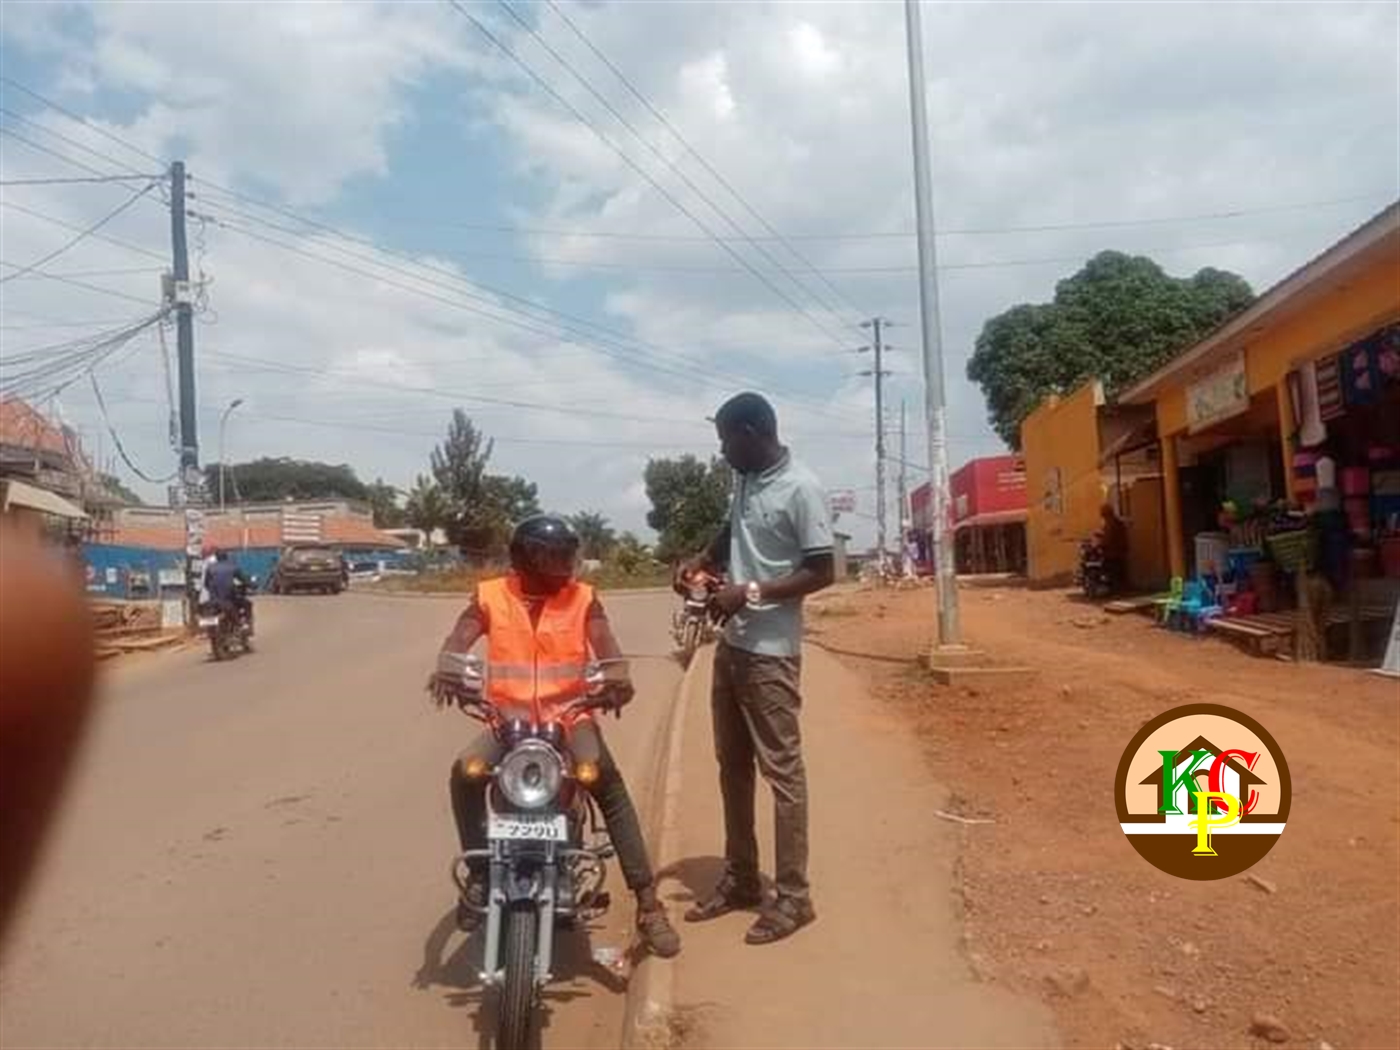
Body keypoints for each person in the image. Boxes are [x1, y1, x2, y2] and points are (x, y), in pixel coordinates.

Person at [429, 515, 681, 958]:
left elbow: (605, 643)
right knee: (465, 772)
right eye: (556, 555)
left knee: (602, 778)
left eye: (569, 554)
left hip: (569, 717)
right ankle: (481, 872)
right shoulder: (490, 595)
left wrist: (618, 677)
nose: (567, 564)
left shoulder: (583, 598)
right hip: (506, 722)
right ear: (527, 557)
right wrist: (448, 665)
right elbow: (462, 632)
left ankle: (648, 905)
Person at [678, 392, 835, 946]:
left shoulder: (802, 488)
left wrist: (751, 591)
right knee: (732, 769)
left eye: (724, 439)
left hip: (772, 656)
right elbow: (733, 530)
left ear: (750, 431)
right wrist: (703, 561)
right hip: (732, 648)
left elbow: (822, 571)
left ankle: (794, 898)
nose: (721, 451)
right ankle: (742, 879)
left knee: (783, 777)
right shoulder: (745, 480)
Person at [203, 548, 253, 634]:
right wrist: (251, 585)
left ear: (216, 558)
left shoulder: (210, 568)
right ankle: (244, 625)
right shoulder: (233, 567)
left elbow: (206, 584)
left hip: (214, 600)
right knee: (248, 604)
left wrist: (213, 592)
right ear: (226, 557)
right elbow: (244, 580)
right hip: (228, 598)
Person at [1098, 502, 1129, 593]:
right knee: (1119, 570)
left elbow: (1108, 538)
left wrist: (1101, 544)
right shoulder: (1116, 521)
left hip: (1113, 552)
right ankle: (1120, 588)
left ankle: (1114, 589)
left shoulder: (1110, 523)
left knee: (1110, 569)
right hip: (1120, 550)